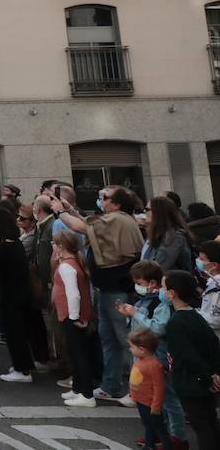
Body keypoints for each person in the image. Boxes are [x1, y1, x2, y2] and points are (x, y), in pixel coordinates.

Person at [52, 184, 145, 406]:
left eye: (106, 197)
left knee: (126, 341)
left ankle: (138, 389)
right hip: (108, 289)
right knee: (109, 341)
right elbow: (88, 224)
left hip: (118, 290)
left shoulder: (119, 219)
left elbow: (82, 228)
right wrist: (70, 209)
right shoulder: (112, 220)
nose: (101, 200)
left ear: (117, 203)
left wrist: (60, 211)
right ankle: (110, 385)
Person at [119, 260, 187, 446]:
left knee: (167, 398)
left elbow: (157, 329)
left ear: (152, 283)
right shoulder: (145, 299)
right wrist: (129, 315)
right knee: (152, 399)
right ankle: (157, 432)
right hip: (144, 357)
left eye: (139, 283)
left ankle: (178, 436)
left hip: (158, 356)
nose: (137, 286)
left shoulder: (160, 302)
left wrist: (135, 314)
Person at [161, 270, 220, 447]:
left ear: (172, 293)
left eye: (164, 288)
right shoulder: (197, 316)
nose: (161, 292)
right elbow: (214, 345)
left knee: (201, 425)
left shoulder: (176, 322)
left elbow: (186, 355)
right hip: (206, 378)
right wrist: (215, 373)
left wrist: (206, 377)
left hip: (190, 381)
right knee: (210, 421)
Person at [0, 207, 37, 383]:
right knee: (17, 333)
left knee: (14, 334)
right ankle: (22, 365)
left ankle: (22, 369)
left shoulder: (6, 247)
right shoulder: (14, 242)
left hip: (10, 296)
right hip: (17, 294)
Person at [52, 228, 97, 408]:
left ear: (61, 246)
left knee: (79, 355)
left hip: (72, 316)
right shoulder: (76, 262)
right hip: (77, 314)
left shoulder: (66, 266)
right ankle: (78, 388)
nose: (53, 246)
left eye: (54, 244)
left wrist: (73, 316)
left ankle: (86, 394)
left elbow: (73, 294)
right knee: (76, 353)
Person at [127, 328, 168, 450]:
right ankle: (149, 445)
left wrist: (156, 405)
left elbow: (159, 387)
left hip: (150, 404)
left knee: (159, 428)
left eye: (132, 347)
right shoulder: (140, 360)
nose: (130, 349)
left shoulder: (154, 365)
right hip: (141, 401)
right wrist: (134, 396)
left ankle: (167, 446)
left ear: (142, 349)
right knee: (148, 425)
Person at [143, 197, 196, 273]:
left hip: (173, 282)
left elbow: (160, 267)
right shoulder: (157, 234)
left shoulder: (173, 237)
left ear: (159, 212)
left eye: (147, 209)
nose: (144, 212)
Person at [198, 241, 220, 335]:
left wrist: (195, 314)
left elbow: (216, 320)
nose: (198, 261)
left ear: (214, 265)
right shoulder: (212, 283)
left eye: (202, 259)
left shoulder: (217, 287)